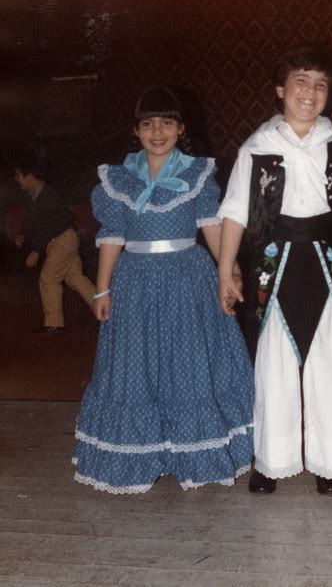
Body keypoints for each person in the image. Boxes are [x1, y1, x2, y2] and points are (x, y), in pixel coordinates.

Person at [73, 86, 254, 494]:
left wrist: (232, 273)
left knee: (188, 364)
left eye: (167, 123)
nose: (158, 131)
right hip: (135, 282)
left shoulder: (197, 174)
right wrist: (101, 291)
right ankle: (143, 453)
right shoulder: (116, 179)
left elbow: (213, 228)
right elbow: (112, 236)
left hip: (188, 280)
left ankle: (193, 452)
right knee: (138, 368)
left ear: (181, 129)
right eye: (148, 123)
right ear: (136, 131)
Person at [218, 44, 332, 495]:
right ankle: (272, 459)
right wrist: (225, 270)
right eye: (301, 81)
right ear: (281, 90)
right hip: (274, 264)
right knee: (274, 362)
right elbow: (234, 213)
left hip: (326, 265)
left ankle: (329, 462)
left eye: (321, 84)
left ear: (329, 95)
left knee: (328, 361)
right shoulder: (257, 146)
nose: (310, 92)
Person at [14, 154, 95, 336]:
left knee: (48, 278)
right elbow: (31, 220)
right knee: (76, 280)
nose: (16, 178)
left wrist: (36, 250)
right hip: (63, 240)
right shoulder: (33, 196)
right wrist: (22, 234)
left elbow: (55, 224)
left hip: (63, 240)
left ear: (30, 177)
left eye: (18, 175)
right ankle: (106, 312)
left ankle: (54, 324)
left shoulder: (48, 194)